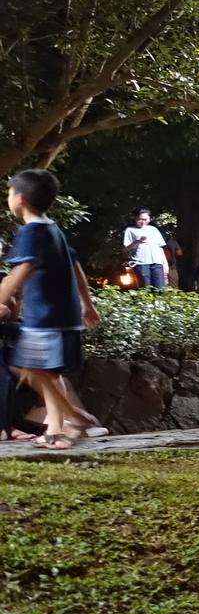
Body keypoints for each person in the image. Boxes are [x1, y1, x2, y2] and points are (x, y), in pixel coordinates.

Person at [0, 170, 102, 449]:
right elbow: (76, 267)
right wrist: (87, 304)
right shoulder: (53, 228)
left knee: (24, 366)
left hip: (44, 316)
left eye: (9, 194)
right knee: (49, 371)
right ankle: (55, 430)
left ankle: (75, 416)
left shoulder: (30, 232)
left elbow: (20, 271)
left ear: (20, 199)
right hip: (64, 315)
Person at [122, 209, 172, 292]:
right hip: (141, 263)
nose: (142, 222)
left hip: (157, 263)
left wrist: (165, 264)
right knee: (145, 290)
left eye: (145, 219)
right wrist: (137, 241)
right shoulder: (130, 230)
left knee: (160, 290)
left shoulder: (154, 230)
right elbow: (126, 249)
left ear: (150, 219)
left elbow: (160, 248)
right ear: (135, 218)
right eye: (140, 219)